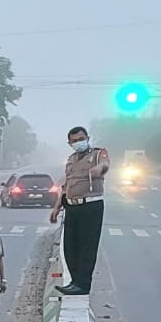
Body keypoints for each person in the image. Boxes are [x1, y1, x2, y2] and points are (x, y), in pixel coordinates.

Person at [50, 126, 110, 295]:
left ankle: (83, 284)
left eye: (81, 139)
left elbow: (105, 165)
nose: (78, 142)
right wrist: (56, 208)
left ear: (88, 138)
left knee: (87, 246)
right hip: (72, 205)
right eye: (74, 141)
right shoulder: (71, 160)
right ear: (69, 143)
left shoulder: (98, 154)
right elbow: (66, 186)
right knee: (70, 247)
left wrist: (98, 169)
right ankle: (75, 281)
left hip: (90, 206)